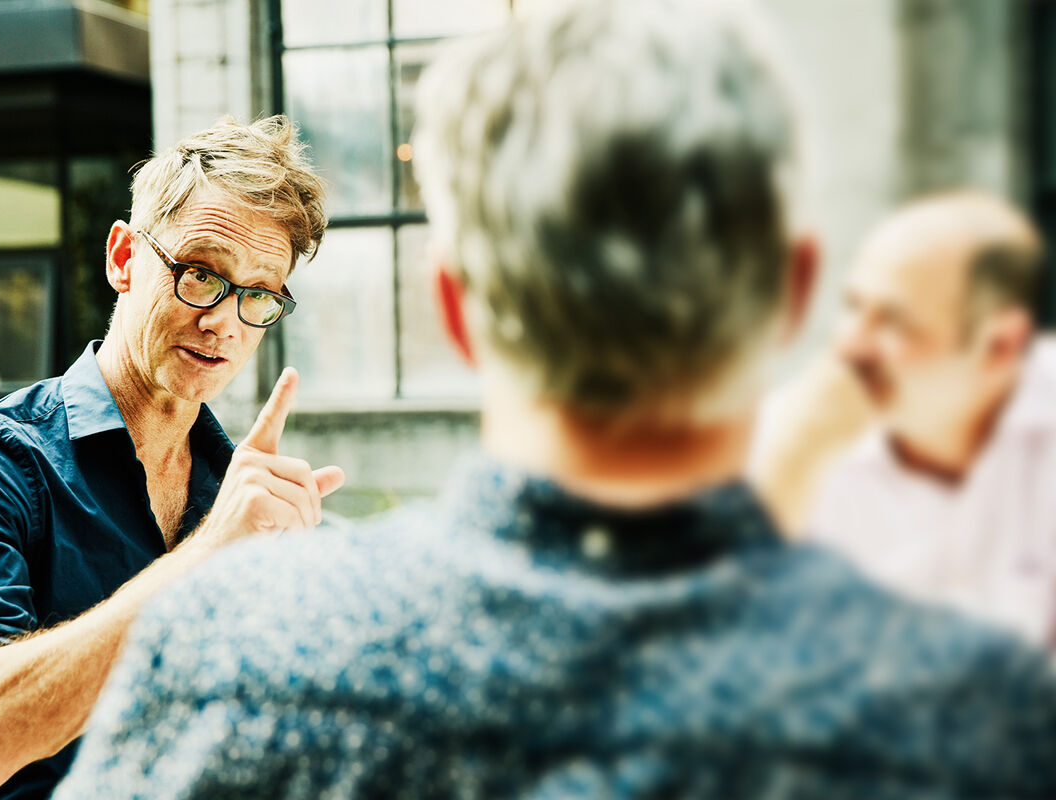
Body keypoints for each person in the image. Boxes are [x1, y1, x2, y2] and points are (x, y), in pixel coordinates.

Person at [57, 2, 1056, 798]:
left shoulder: (238, 652)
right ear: (794, 291)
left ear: (455, 306)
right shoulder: (972, 710)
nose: (226, 319)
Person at [0, 116, 345, 800]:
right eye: (200, 274)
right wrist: (207, 552)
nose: (224, 321)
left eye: (258, 295)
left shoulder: (240, 491)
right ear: (124, 259)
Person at [751, 192, 1054, 646]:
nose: (850, 346)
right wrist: (789, 467)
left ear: (1001, 345)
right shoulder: (784, 442)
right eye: (851, 306)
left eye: (893, 321)